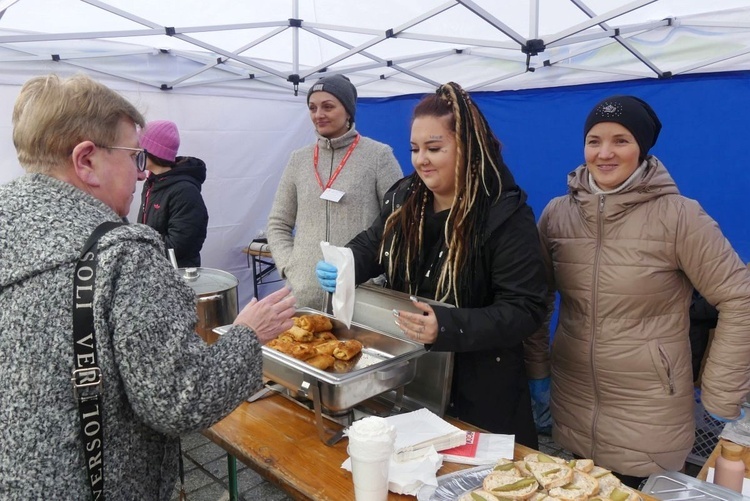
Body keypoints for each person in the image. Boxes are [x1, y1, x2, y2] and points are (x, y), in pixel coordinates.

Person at [0, 74, 296, 500]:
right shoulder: (123, 252)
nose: (141, 175)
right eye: (134, 157)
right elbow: (181, 400)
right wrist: (248, 334)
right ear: (86, 160)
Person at [530, 95, 750, 488]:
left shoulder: (679, 216)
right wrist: (537, 369)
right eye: (594, 140)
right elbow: (538, 297)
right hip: (574, 396)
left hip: (649, 408)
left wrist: (720, 393)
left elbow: (739, 297)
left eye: (621, 140)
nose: (605, 153)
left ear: (642, 149)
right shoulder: (557, 214)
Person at [316, 82, 548, 448]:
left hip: (478, 388)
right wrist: (344, 263)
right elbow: (373, 244)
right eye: (415, 149)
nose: (421, 159)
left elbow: (525, 308)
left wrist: (448, 326)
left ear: (468, 148)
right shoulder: (407, 198)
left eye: (434, 148)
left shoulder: (504, 215)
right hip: (410, 375)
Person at [267, 74, 403, 310]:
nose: (318, 114)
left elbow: (399, 223)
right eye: (312, 107)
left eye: (328, 106)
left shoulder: (379, 156)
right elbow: (278, 223)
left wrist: (378, 276)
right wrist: (291, 267)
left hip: (359, 298)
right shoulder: (299, 159)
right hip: (303, 298)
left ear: (348, 111)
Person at [137, 120, 209, 268]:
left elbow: (177, 246)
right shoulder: (152, 182)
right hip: (153, 270)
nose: (135, 152)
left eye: (138, 147)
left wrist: (138, 245)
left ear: (152, 151)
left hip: (175, 277)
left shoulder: (185, 191)